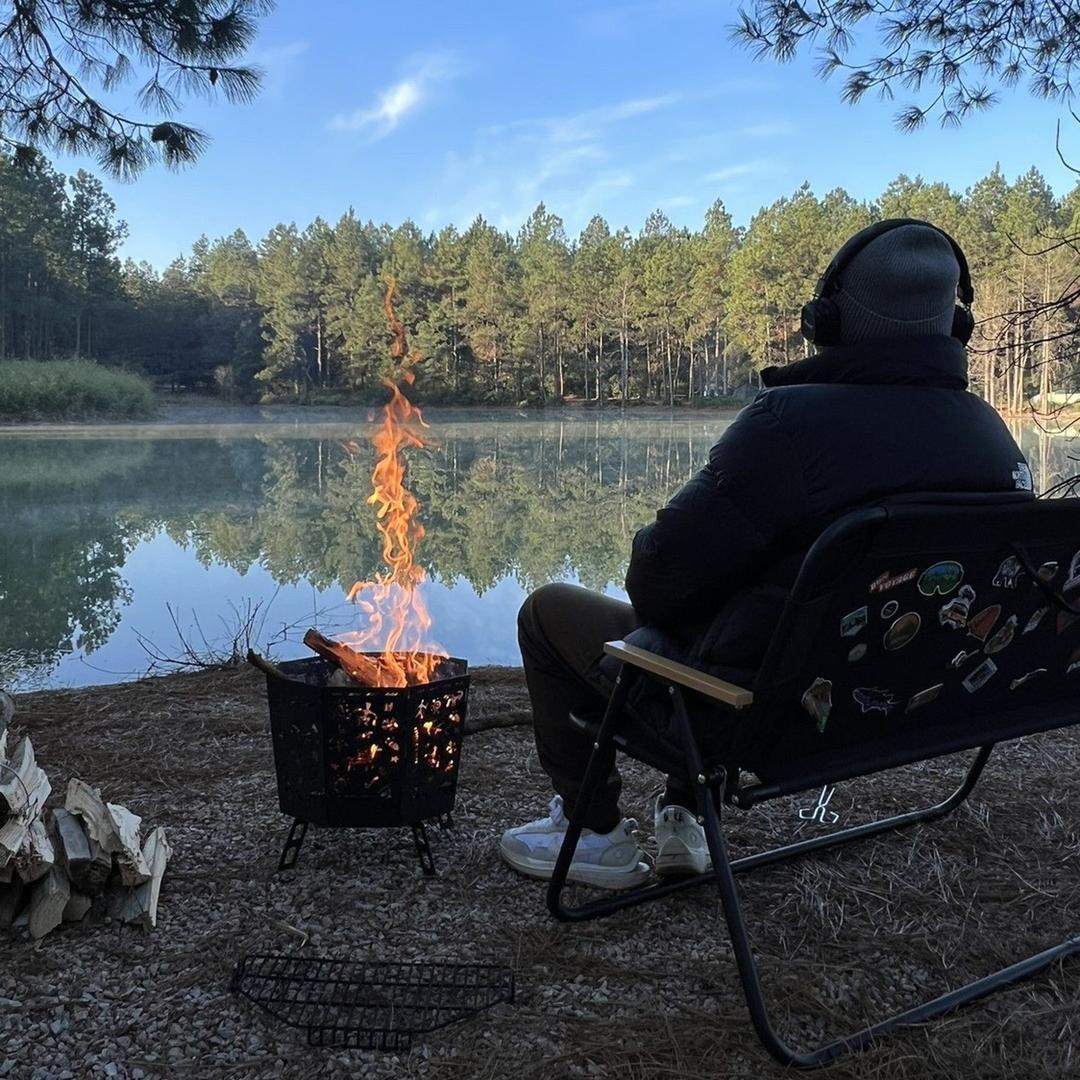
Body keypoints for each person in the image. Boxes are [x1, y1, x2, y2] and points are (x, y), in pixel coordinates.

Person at [500, 219, 1034, 889]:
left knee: (549, 611)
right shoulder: (991, 435)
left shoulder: (787, 426)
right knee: (742, 604)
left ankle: (596, 834)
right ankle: (684, 817)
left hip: (758, 715)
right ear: (954, 327)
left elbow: (656, 586)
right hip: (921, 701)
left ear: (827, 320)